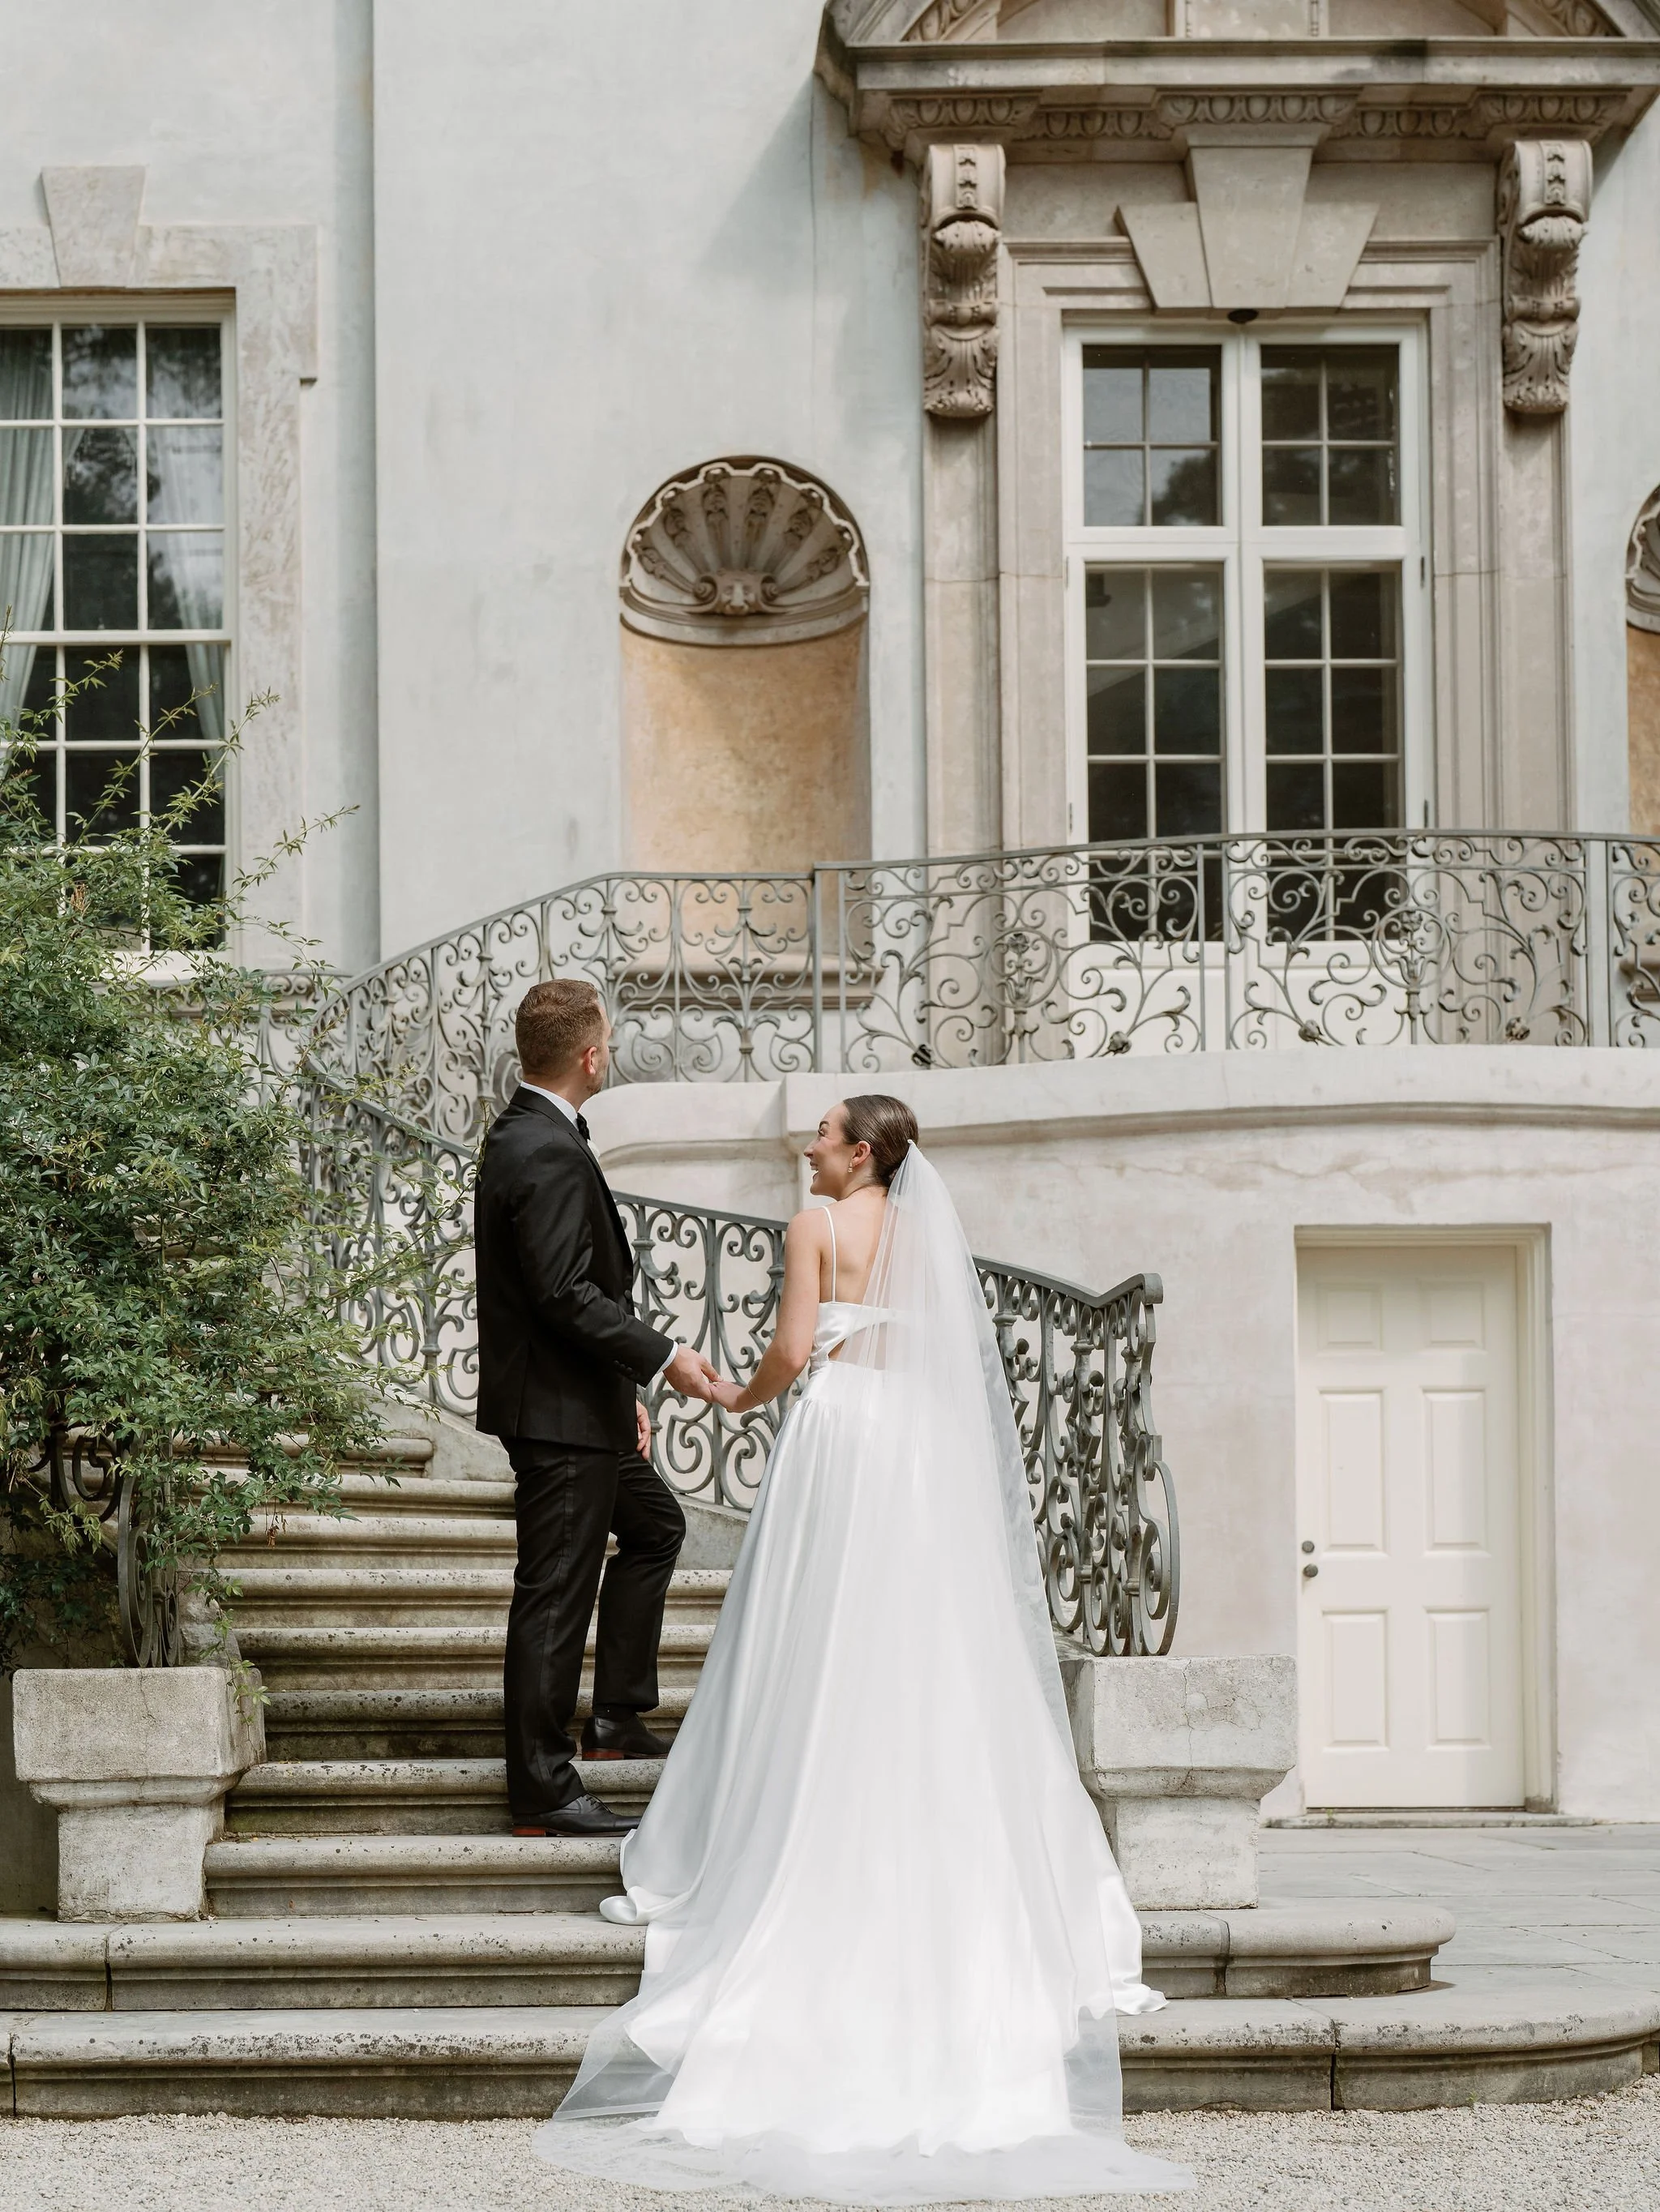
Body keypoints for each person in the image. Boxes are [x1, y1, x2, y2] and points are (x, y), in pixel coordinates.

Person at [534, 1095, 1192, 2202]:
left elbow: (795, 1348)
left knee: (812, 1627)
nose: (807, 1147)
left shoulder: (815, 1227)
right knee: (918, 1640)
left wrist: (745, 1395)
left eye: (823, 1135)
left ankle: (796, 1813)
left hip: (842, 1433)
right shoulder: (925, 1232)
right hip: (914, 1444)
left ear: (859, 1152)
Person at [473, 978, 717, 1838]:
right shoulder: (540, 1146)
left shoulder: (539, 1133)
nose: (609, 1052)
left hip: (584, 1403)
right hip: (554, 1413)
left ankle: (615, 1713)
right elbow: (562, 1293)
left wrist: (623, 1396)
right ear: (587, 1053)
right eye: (606, 1040)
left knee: (653, 1525)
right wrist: (663, 1357)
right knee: (552, 1594)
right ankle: (541, 1785)